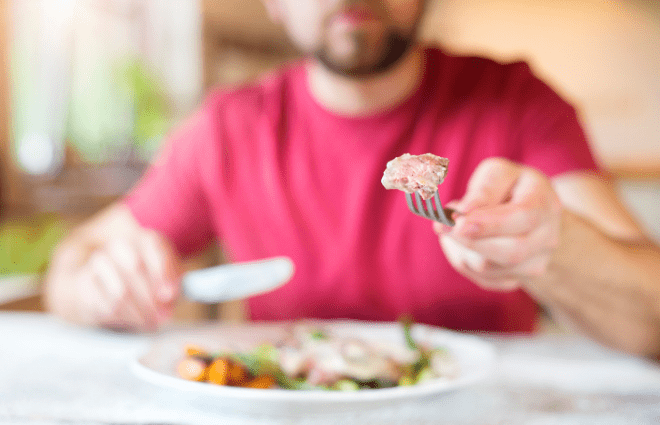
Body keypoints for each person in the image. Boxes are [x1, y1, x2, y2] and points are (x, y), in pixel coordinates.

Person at [44, 0, 660, 359]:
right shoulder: (228, 128)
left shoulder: (517, 103)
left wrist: (560, 249)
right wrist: (102, 285)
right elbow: (72, 265)